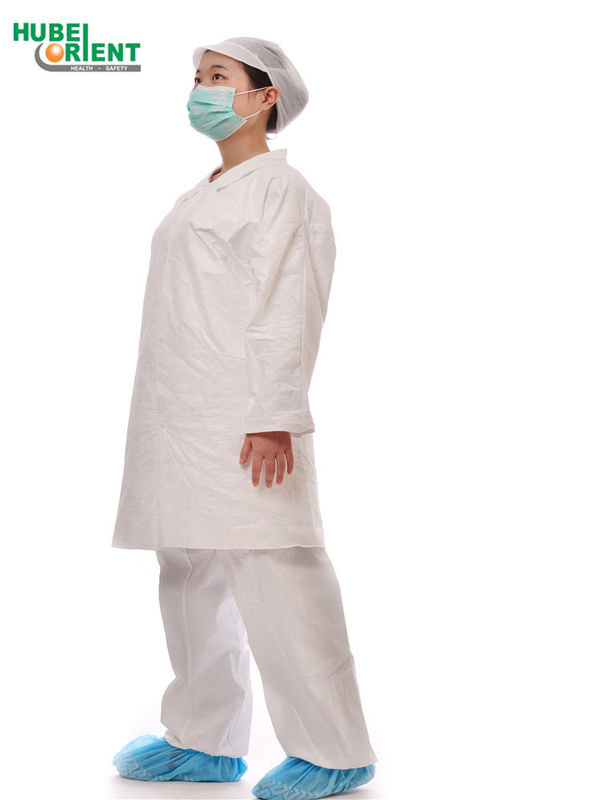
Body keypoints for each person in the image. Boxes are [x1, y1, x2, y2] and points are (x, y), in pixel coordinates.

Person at [110, 37, 378, 800]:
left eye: (219, 77)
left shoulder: (282, 192)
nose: (200, 88)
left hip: (244, 418)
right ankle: (202, 740)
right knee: (189, 572)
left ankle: (333, 750)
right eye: (197, 77)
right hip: (178, 423)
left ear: (265, 98)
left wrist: (274, 414)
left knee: (276, 572)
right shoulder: (198, 195)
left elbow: (289, 305)